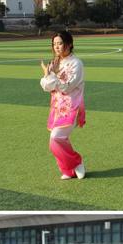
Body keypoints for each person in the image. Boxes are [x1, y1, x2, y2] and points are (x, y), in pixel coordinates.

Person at [40, 31, 86, 180]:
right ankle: (68, 170)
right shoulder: (55, 63)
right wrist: (47, 74)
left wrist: (52, 76)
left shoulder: (76, 63)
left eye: (60, 43)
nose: (57, 47)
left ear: (69, 44)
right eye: (54, 44)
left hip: (72, 106)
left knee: (56, 137)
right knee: (56, 140)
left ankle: (76, 162)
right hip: (57, 108)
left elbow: (67, 87)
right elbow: (46, 86)